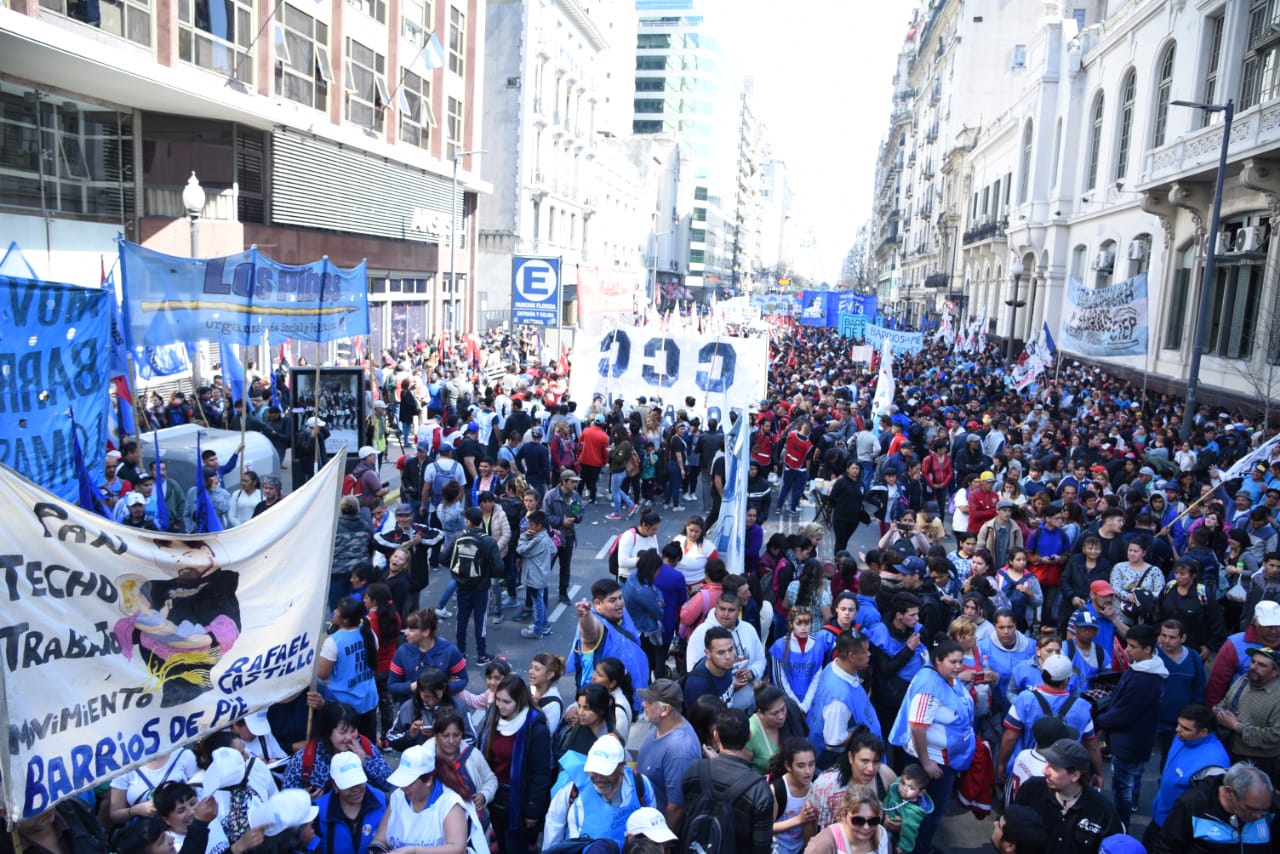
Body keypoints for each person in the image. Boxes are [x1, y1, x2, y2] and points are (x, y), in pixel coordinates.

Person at [887, 638, 976, 854]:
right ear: (938, 661)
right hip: (934, 761)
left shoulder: (946, 678)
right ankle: (918, 848)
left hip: (944, 758)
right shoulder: (929, 687)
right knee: (926, 811)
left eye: (960, 661)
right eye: (953, 662)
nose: (958, 666)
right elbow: (917, 727)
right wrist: (926, 763)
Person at [1095, 622, 1169, 827]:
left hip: (1129, 743)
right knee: (1132, 778)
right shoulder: (1143, 669)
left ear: (1148, 649)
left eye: (1133, 646)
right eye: (1128, 644)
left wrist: (1100, 721)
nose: (1127, 650)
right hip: (1136, 740)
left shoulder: (1144, 679)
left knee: (1122, 787)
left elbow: (1123, 712)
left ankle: (1122, 824)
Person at [476, 675, 553, 854]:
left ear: (520, 701)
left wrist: (532, 811)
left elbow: (541, 774)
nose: (500, 705)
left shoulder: (536, 728)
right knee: (502, 843)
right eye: (498, 700)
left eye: (506, 702)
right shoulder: (492, 717)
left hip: (520, 799)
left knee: (517, 847)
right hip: (494, 794)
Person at [998, 653, 1101, 787]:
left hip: (1027, 768)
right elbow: (1091, 745)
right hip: (1064, 776)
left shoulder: (1024, 699)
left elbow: (1010, 737)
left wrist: (1001, 763)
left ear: (1043, 674)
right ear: (1066, 681)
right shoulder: (1082, 707)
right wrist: (1099, 773)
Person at [680, 708, 775, 853]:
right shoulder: (759, 790)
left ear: (716, 736)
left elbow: (684, 811)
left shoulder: (695, 770)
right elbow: (761, 846)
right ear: (749, 736)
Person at [370, 740, 488, 853]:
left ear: (428, 780)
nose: (403, 788)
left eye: (410, 783)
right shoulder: (398, 797)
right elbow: (380, 839)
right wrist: (377, 848)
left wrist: (415, 851)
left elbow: (457, 848)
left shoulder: (450, 803)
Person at [542, 735, 656, 850]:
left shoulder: (640, 783)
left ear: (621, 766)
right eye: (594, 771)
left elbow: (652, 828)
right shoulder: (572, 787)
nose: (599, 778)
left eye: (606, 772)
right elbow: (554, 827)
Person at [1014, 738, 1121, 854]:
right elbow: (1012, 828)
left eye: (1053, 767)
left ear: (1075, 775)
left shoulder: (1103, 811)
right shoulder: (1031, 789)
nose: (1044, 770)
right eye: (1046, 763)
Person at [1151, 762, 1276, 854]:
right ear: (1229, 792)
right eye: (1251, 809)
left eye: (1264, 810)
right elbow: (1166, 849)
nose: (1259, 816)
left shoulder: (1272, 809)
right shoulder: (1192, 806)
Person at [1148, 704, 1230, 843]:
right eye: (1178, 724)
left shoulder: (1213, 765)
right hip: (1160, 817)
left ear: (1203, 732)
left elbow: (1209, 805)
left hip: (1177, 829)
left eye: (1185, 728)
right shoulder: (1183, 737)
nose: (1178, 730)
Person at [568, 578, 650, 711]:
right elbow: (589, 632)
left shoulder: (620, 613)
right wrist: (585, 616)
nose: (619, 604)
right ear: (597, 604)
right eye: (612, 600)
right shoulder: (598, 624)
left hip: (632, 696)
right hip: (607, 707)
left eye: (620, 598)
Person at [282, 701, 393, 794]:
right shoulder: (306, 757)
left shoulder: (365, 747)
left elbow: (388, 784)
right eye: (343, 732)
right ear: (327, 732)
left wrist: (365, 762)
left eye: (353, 731)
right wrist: (304, 799)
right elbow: (286, 795)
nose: (349, 738)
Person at [806, 630, 878, 767]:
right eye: (864, 652)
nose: (869, 654)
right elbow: (834, 740)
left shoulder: (833, 666)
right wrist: (858, 734)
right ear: (851, 656)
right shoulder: (839, 700)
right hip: (832, 761)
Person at [685, 591, 766, 709]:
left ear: (739, 611)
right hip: (718, 711)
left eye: (731, 610)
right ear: (716, 608)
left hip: (749, 704)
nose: (726, 614)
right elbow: (694, 670)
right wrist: (729, 685)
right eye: (722, 609)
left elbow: (760, 659)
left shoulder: (749, 629)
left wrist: (752, 673)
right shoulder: (701, 633)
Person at [316, 596, 381, 742]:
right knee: (367, 743)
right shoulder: (369, 633)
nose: (334, 611)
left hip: (345, 705)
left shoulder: (334, 641)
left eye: (338, 610)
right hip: (369, 699)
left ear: (345, 620)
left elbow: (322, 673)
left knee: (345, 743)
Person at [1212, 644, 1280, 781]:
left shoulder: (1277, 697)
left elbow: (1274, 736)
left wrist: (1236, 726)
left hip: (1257, 763)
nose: (1254, 667)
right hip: (1227, 749)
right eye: (1253, 662)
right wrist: (1221, 714)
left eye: (1262, 665)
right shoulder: (1243, 680)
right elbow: (1222, 705)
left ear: (1275, 672)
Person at [445, 506, 502, 666]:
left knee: (461, 619)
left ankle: (461, 653)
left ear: (467, 522)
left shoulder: (457, 537)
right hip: (481, 588)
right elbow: (499, 568)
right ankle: (481, 655)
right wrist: (487, 574)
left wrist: (458, 573)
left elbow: (443, 558)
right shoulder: (489, 541)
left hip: (462, 587)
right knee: (480, 621)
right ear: (480, 522)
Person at [1205, 600, 1280, 707]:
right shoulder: (1234, 644)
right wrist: (1212, 711)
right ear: (1255, 622)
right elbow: (1217, 683)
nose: (1274, 631)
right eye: (1268, 626)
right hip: (1238, 711)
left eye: (1278, 625)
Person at [313, 749, 388, 854]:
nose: (355, 789)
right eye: (348, 784)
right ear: (335, 786)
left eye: (358, 781)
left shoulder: (382, 800)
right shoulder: (318, 811)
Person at [386, 668, 478, 751]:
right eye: (426, 696)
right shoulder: (408, 708)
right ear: (419, 691)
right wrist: (410, 734)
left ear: (444, 689)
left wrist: (443, 737)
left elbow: (471, 739)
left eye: (436, 696)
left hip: (450, 762)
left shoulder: (458, 706)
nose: (431, 701)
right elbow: (391, 738)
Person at [388, 608, 468, 702]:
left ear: (426, 632)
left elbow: (463, 679)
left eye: (412, 630)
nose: (406, 633)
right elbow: (392, 685)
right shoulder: (403, 651)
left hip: (442, 706)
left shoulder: (450, 651)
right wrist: (412, 686)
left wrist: (442, 687)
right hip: (412, 705)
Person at [803, 784, 890, 854]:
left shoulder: (881, 836)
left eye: (873, 821)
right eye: (858, 820)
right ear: (843, 815)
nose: (866, 827)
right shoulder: (823, 845)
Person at [768, 738, 819, 854]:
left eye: (811, 764)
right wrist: (799, 819)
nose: (808, 771)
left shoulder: (816, 785)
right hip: (779, 847)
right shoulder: (777, 790)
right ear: (788, 766)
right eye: (801, 766)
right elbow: (767, 828)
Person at [772, 609, 826, 713]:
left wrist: (805, 706)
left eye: (807, 623)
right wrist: (797, 706)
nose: (803, 628)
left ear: (811, 623)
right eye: (799, 623)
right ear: (791, 624)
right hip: (787, 704)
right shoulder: (779, 646)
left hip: (811, 703)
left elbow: (817, 677)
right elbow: (780, 681)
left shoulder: (818, 645)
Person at [544, 469, 585, 605]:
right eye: (572, 482)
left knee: (565, 566)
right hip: (553, 538)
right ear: (564, 482)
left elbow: (581, 511)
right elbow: (545, 516)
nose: (575, 485)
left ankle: (563, 593)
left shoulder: (575, 495)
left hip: (568, 537)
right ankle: (541, 592)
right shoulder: (550, 496)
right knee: (547, 566)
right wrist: (561, 522)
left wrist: (575, 518)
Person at [517, 509, 555, 639]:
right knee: (539, 599)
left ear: (540, 526)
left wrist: (523, 537)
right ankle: (544, 625)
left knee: (537, 602)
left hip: (534, 575)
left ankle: (537, 630)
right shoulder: (546, 537)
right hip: (542, 573)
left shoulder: (537, 540)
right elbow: (553, 550)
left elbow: (521, 550)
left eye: (532, 525)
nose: (529, 527)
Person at [881, 764, 934, 854]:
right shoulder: (896, 786)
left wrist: (904, 847)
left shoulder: (913, 812)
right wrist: (885, 814)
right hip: (885, 820)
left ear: (921, 792)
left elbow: (909, 831)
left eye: (911, 788)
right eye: (903, 783)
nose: (904, 789)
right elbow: (888, 797)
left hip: (896, 834)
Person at [829, 459, 866, 553]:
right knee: (840, 541)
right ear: (848, 469)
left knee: (845, 541)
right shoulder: (841, 482)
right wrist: (839, 507)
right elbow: (832, 498)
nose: (855, 470)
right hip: (840, 518)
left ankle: (842, 557)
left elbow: (862, 498)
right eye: (853, 468)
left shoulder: (860, 484)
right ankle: (838, 558)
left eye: (857, 468)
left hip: (854, 519)